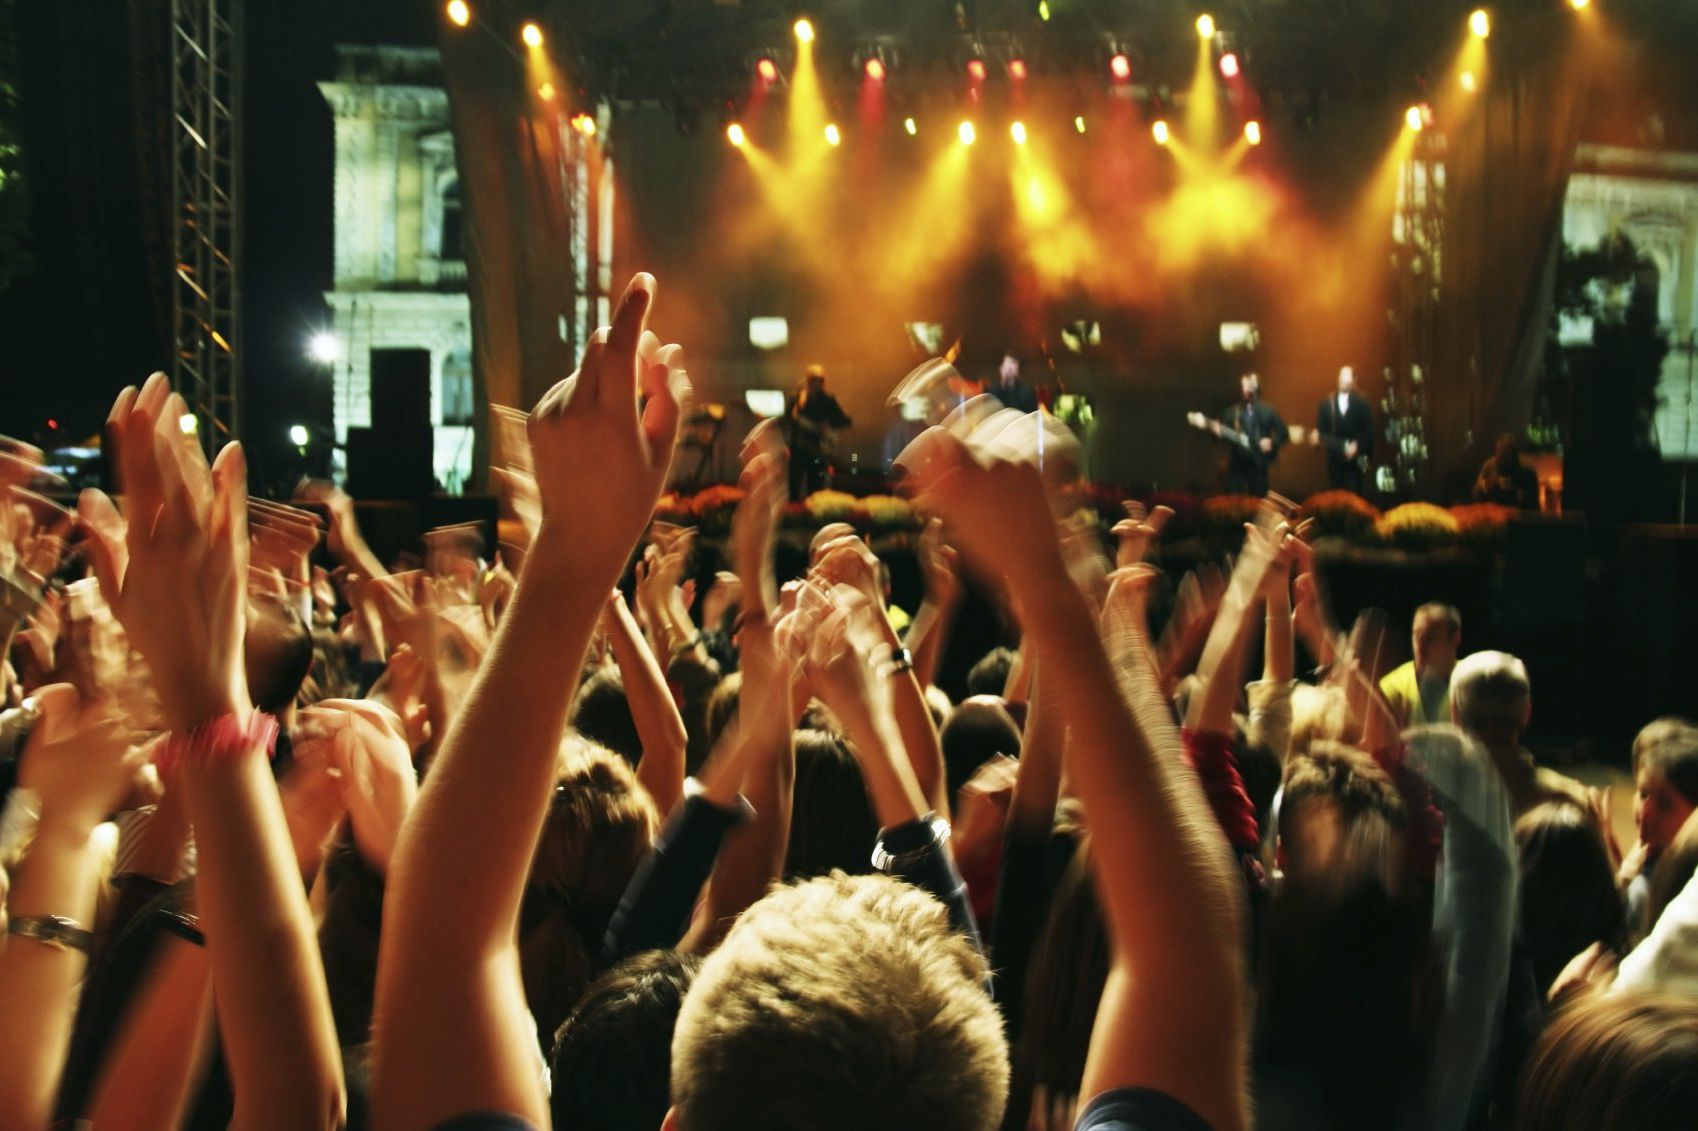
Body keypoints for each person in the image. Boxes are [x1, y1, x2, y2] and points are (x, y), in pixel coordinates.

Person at [1379, 603, 1462, 728]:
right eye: (1416, 634)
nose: (1420, 645)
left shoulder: (1472, 679)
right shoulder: (1393, 686)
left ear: (1455, 638)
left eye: (1431, 637)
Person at [1211, 372, 1286, 497]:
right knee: (1233, 501)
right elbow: (1220, 439)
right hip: (1237, 467)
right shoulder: (1231, 412)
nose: (1247, 389)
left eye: (1251, 385)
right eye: (1244, 386)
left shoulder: (1268, 411)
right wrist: (1216, 433)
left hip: (1258, 465)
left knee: (1259, 500)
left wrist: (1271, 442)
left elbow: (1284, 433)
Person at [786, 364, 852, 500]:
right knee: (794, 488)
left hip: (817, 450)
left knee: (815, 490)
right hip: (798, 450)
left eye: (819, 380)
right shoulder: (797, 399)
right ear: (808, 381)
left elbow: (845, 421)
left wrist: (827, 427)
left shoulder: (828, 400)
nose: (817, 383)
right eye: (813, 380)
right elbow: (787, 419)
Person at [1313, 366, 1373, 494]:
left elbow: (1369, 431)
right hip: (1334, 463)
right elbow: (1320, 431)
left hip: (1355, 463)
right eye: (1342, 376)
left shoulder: (1362, 402)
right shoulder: (1326, 403)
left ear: (1354, 380)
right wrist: (1316, 437)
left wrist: (1357, 445)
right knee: (1335, 497)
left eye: (1347, 376)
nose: (1344, 379)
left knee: (1354, 497)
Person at [1472, 434, 1540, 509]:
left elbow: (1533, 503)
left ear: (1513, 455)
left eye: (1504, 455)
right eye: (1498, 454)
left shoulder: (1526, 470)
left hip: (1519, 513)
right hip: (1493, 512)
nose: (1498, 459)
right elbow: (1475, 493)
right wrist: (1485, 486)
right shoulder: (1490, 466)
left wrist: (1513, 492)